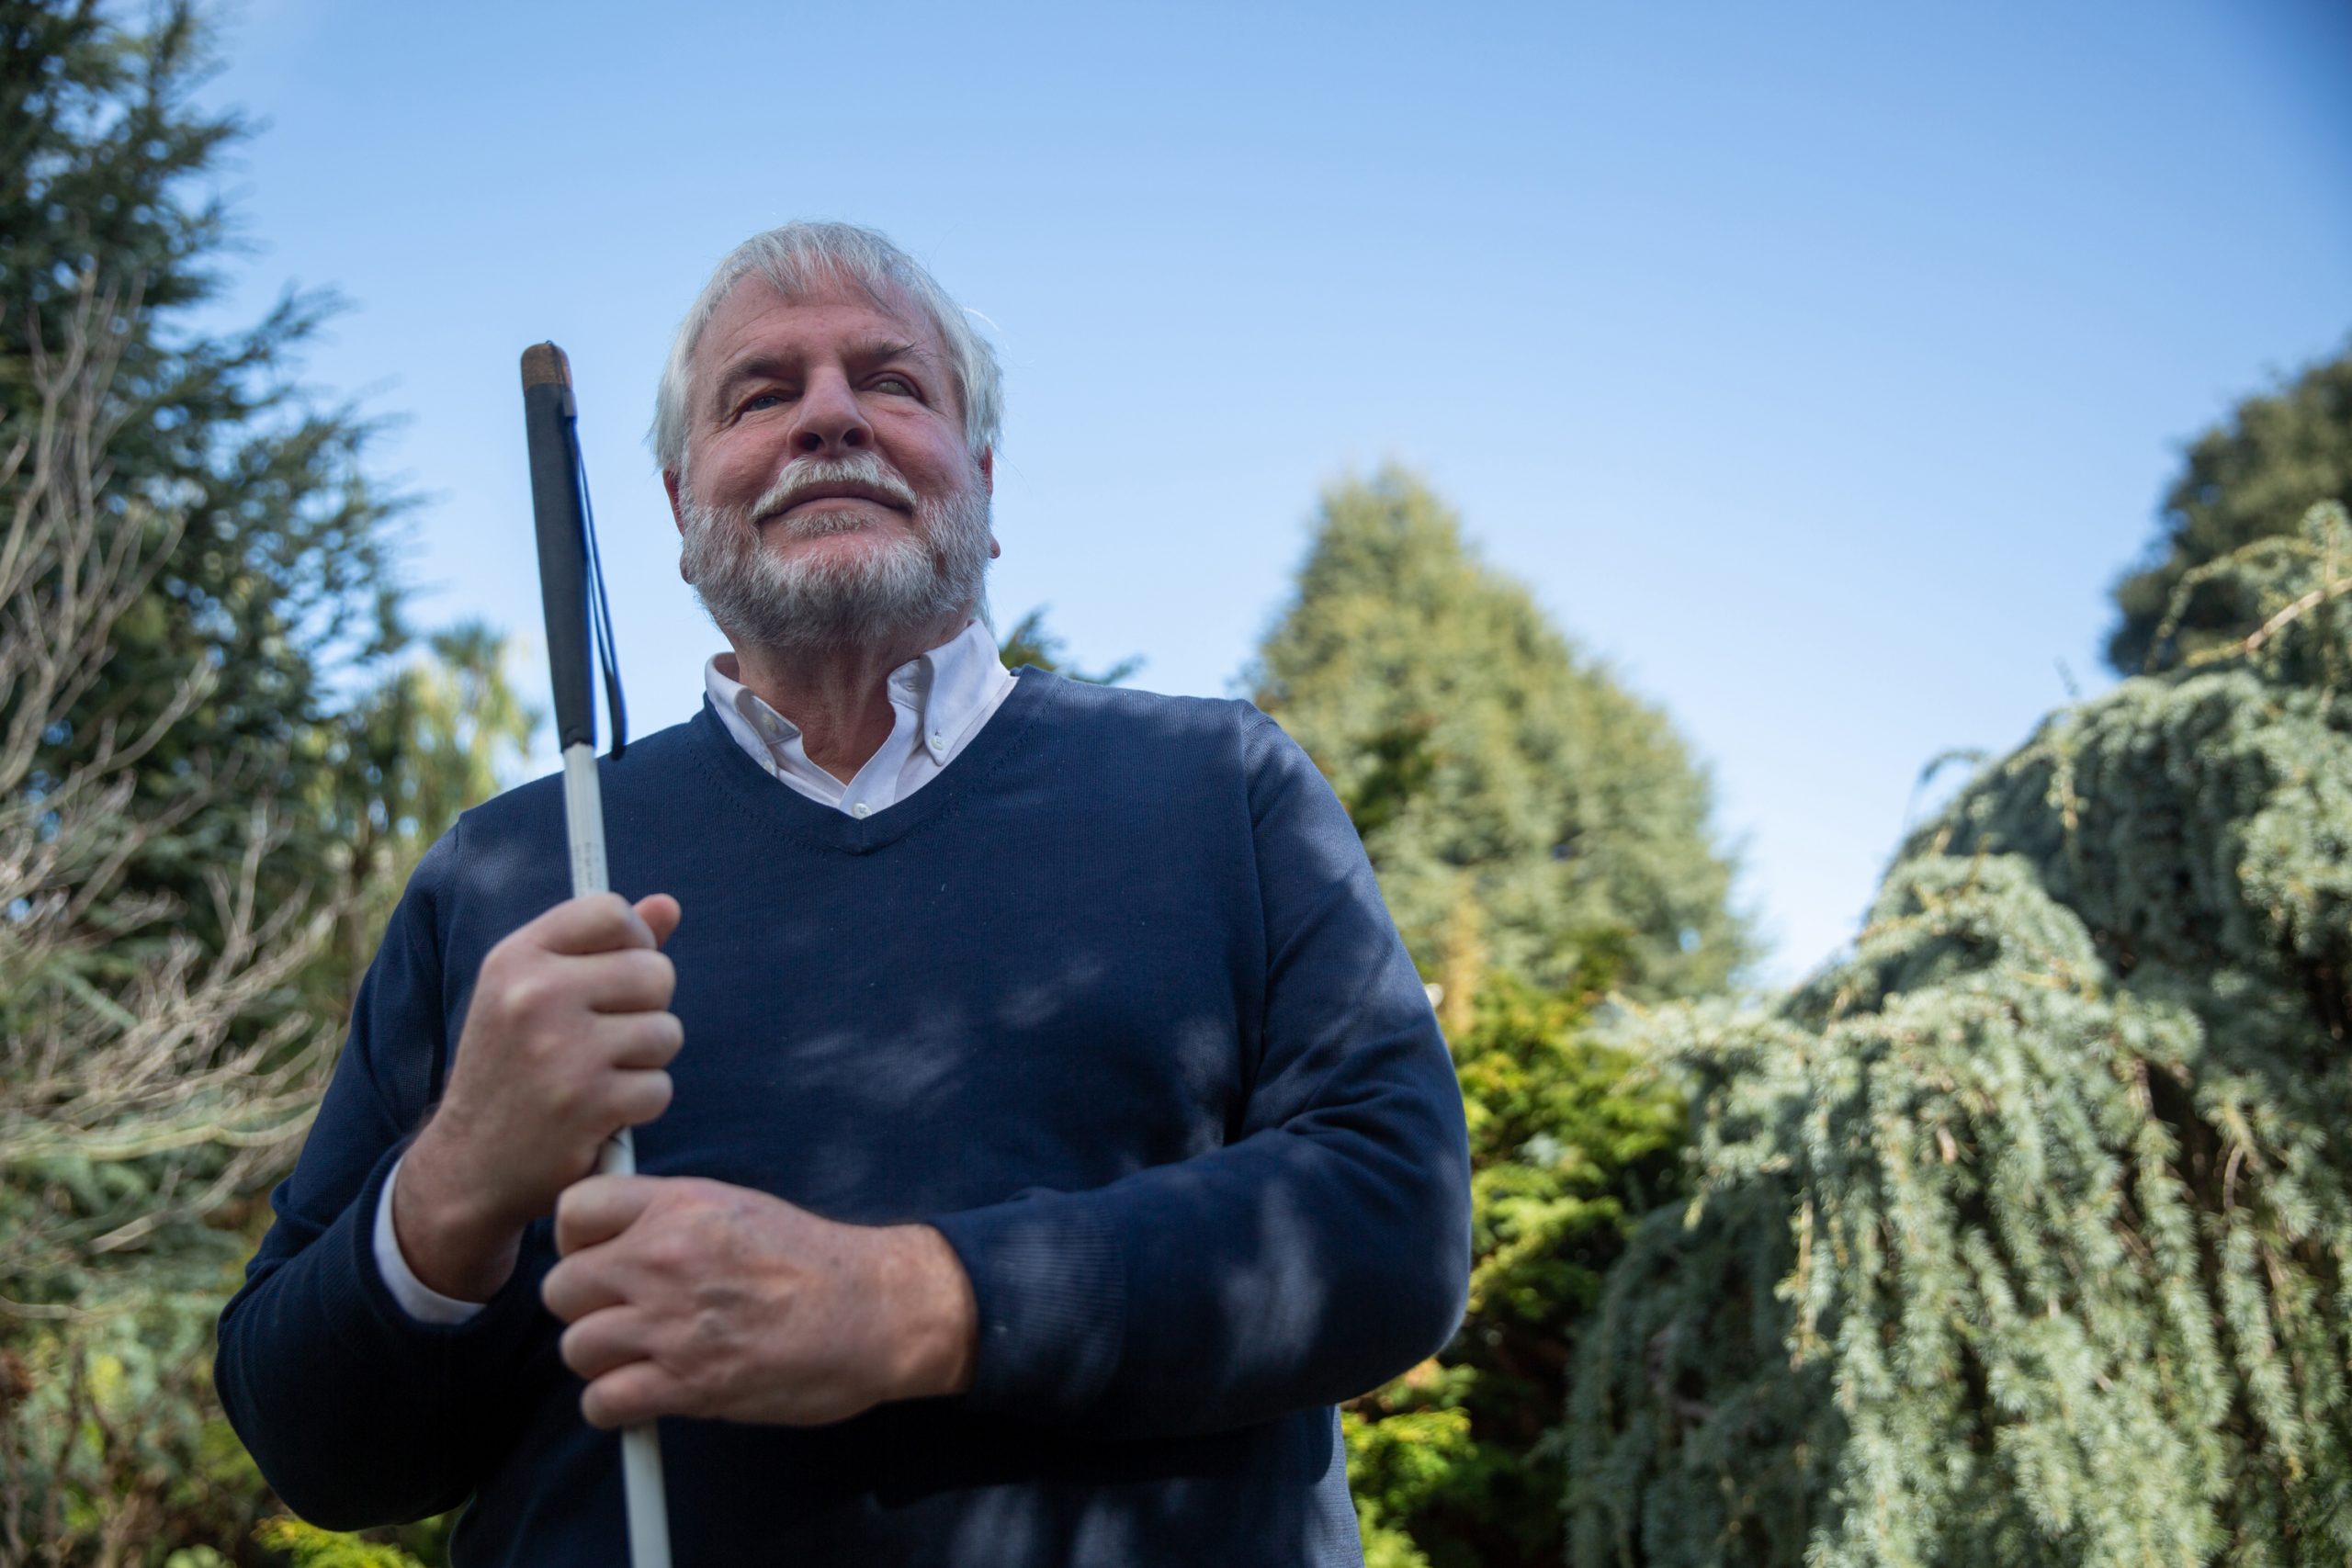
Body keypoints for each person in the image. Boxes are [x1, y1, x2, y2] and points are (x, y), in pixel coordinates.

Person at [216, 220, 1472, 1567]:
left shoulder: (1219, 784)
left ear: (982, 480)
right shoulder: (507, 876)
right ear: (680, 508)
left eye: (891, 382)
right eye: (761, 395)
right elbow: (313, 1447)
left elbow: (1394, 1221)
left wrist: (903, 1303)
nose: (828, 418)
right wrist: (458, 1177)